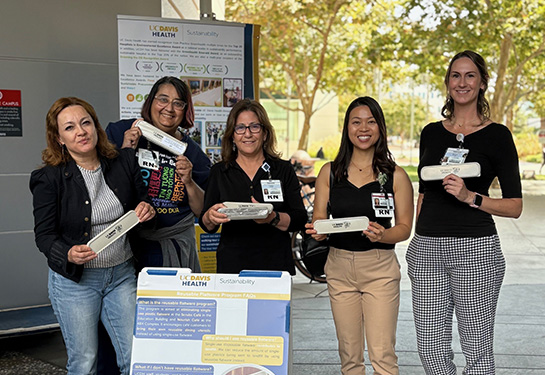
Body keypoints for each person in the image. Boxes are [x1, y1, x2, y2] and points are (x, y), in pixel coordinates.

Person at [406, 50, 523, 374]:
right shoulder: (431, 132)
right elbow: (424, 191)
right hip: (427, 249)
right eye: (455, 75)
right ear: (447, 83)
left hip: (475, 250)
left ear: (482, 83)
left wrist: (472, 196)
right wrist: (417, 240)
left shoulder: (498, 135)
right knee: (430, 347)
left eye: (470, 75)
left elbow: (514, 206)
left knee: (477, 350)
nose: (462, 82)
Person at [29, 97, 155, 375]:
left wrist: (146, 207)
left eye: (85, 123)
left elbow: (142, 200)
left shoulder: (123, 161)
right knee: (84, 362)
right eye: (70, 127)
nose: (81, 131)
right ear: (59, 138)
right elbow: (44, 236)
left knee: (137, 358)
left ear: (96, 126)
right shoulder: (48, 179)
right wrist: (68, 253)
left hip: (121, 275)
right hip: (76, 283)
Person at [305, 96, 414, 375]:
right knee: (350, 356)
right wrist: (318, 231)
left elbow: (404, 228)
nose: (363, 128)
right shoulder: (329, 173)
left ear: (380, 128)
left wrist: (383, 235)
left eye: (370, 121)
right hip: (339, 267)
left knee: (383, 355)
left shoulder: (396, 175)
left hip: (380, 267)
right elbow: (319, 218)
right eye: (356, 122)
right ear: (347, 128)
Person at [106, 76, 211, 271]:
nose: (169, 109)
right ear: (150, 101)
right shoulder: (120, 131)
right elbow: (103, 186)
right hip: (127, 245)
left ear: (185, 110)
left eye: (178, 103)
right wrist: (125, 149)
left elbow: (201, 210)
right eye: (163, 99)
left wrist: (188, 181)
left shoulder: (193, 153)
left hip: (174, 245)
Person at [199, 99, 307, 274]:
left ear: (265, 133)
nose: (247, 134)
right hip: (232, 268)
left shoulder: (283, 169)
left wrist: (272, 217)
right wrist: (211, 217)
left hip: (275, 266)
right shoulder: (220, 171)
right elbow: (207, 225)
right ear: (232, 135)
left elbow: (300, 218)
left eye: (254, 127)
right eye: (240, 128)